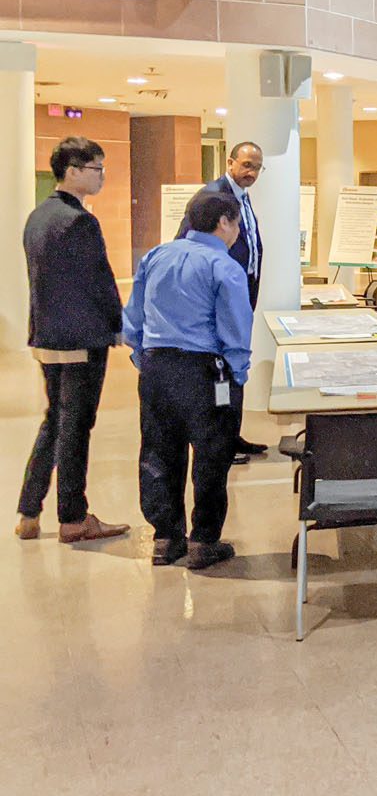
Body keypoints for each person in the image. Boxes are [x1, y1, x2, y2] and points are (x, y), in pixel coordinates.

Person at [123, 193, 253, 570]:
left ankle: (165, 538)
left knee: (158, 452)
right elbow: (235, 330)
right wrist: (237, 376)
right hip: (205, 372)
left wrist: (144, 360)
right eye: (237, 224)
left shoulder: (155, 256)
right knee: (212, 456)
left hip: (156, 368)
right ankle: (203, 541)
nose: (238, 232)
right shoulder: (223, 267)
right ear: (224, 222)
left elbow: (133, 320)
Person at [16, 137, 130, 544]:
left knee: (55, 420)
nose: (101, 176)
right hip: (81, 338)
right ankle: (73, 517)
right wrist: (118, 323)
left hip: (47, 334)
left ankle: (29, 511)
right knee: (76, 426)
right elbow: (99, 279)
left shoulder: (38, 216)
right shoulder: (80, 220)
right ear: (74, 171)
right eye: (97, 168)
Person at [178, 141, 268, 462]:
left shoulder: (242, 197)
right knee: (222, 367)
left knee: (235, 363)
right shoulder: (211, 197)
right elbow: (187, 243)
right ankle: (219, 443)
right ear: (230, 162)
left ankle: (232, 436)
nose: (251, 172)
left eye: (257, 167)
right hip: (219, 295)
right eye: (246, 165)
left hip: (241, 290)